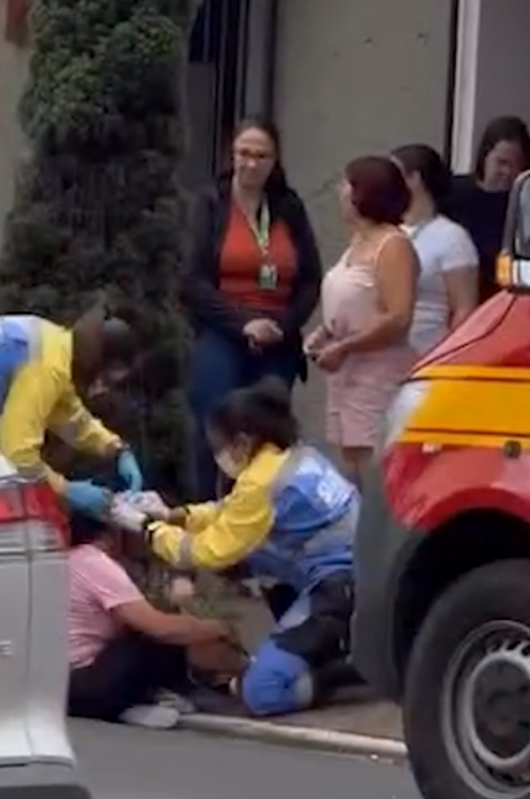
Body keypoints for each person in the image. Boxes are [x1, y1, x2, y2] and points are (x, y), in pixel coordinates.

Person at [111, 379, 360, 718]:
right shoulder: (290, 456)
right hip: (347, 572)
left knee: (262, 692)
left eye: (218, 446)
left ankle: (346, 673)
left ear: (242, 442)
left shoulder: (262, 482)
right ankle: (320, 650)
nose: (217, 456)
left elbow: (208, 552)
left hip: (337, 586)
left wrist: (146, 528)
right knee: (254, 556)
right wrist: (174, 514)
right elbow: (230, 511)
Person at [183, 117, 324, 501]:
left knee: (268, 434)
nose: (251, 163)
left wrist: (285, 323)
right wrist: (243, 324)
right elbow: (192, 280)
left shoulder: (287, 207)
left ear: (275, 160)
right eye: (244, 153)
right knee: (215, 428)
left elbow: (311, 276)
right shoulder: (211, 203)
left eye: (261, 155)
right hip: (223, 332)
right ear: (232, 154)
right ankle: (206, 519)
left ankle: (259, 523)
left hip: (277, 337)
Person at [0, 307, 145, 519]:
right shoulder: (46, 370)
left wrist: (115, 449)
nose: (102, 389)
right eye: (105, 380)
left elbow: (72, 418)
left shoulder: (54, 346)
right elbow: (20, 458)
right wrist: (67, 490)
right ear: (95, 361)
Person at [67, 509, 240, 728]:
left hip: (62, 687)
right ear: (114, 531)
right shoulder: (94, 562)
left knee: (157, 627)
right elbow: (158, 627)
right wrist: (218, 628)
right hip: (91, 685)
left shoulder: (67, 560)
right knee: (169, 630)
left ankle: (155, 695)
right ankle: (202, 685)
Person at [304, 156, 419, 483]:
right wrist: (324, 333)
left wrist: (346, 347)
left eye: (347, 184)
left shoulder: (393, 245)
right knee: (350, 466)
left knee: (373, 468)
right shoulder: (357, 242)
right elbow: (354, 302)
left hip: (377, 374)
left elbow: (399, 317)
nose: (340, 191)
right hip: (345, 374)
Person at [391, 144, 480, 355]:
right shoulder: (388, 231)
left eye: (394, 175)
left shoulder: (452, 237)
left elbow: (464, 309)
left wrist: (446, 356)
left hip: (426, 356)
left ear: (415, 179)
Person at [447, 116, 530, 303]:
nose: (507, 172)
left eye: (516, 164)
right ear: (485, 156)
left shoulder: (528, 202)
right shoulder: (454, 192)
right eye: (501, 162)